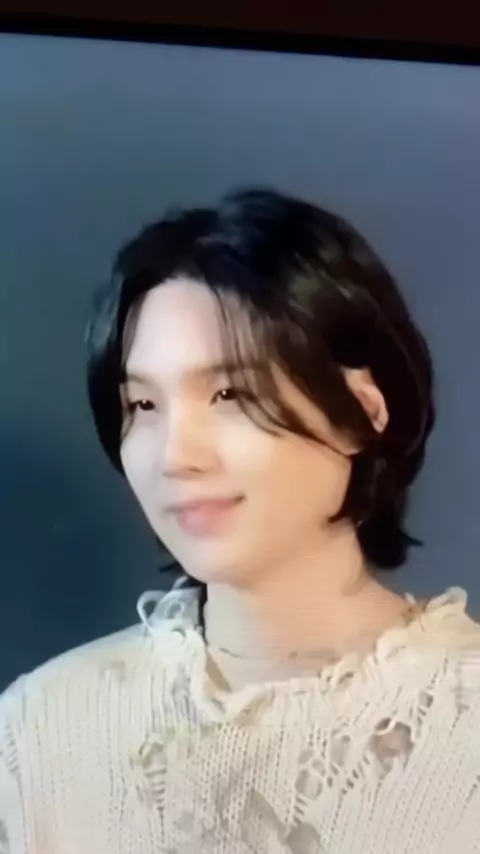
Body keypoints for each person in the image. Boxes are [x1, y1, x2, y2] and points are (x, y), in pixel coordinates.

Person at [1, 188, 479, 854]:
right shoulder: (43, 731)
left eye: (230, 393)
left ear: (363, 410)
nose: (176, 456)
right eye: (143, 405)